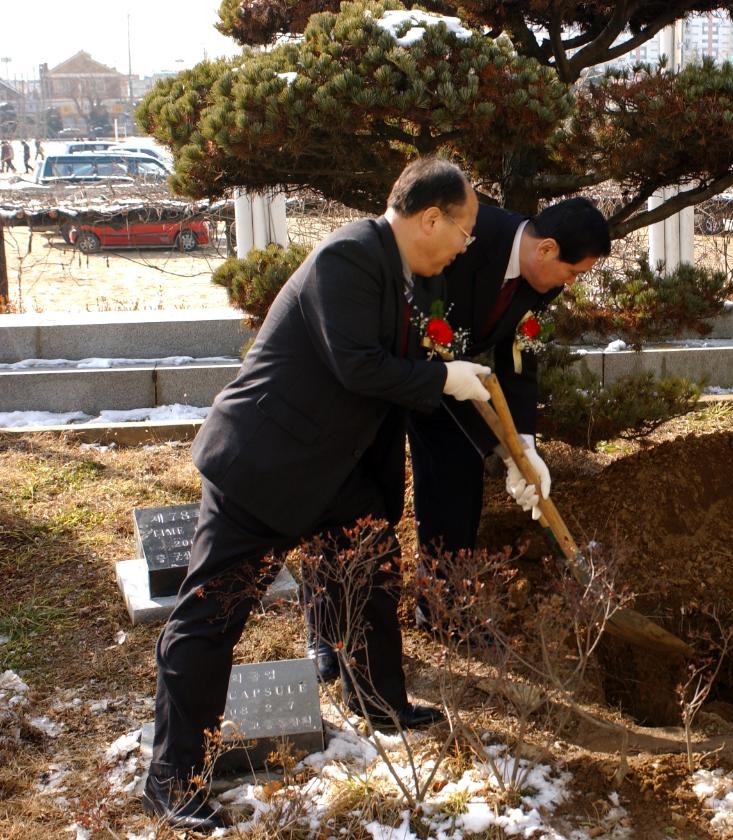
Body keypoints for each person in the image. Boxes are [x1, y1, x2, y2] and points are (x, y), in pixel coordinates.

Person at [144, 158, 499, 832]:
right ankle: (171, 779)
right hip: (266, 465)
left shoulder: (402, 273)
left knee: (370, 577)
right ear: (430, 219)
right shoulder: (348, 258)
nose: (465, 244)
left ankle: (377, 699)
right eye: (465, 230)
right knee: (210, 617)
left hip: (334, 470)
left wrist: (442, 379)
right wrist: (441, 379)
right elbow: (357, 365)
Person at [407, 197, 610, 628]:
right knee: (367, 494)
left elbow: (519, 359)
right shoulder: (468, 236)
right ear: (547, 249)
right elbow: (418, 312)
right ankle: (339, 628)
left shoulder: (544, 283)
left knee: (459, 476)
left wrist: (523, 442)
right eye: (573, 272)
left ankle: (444, 608)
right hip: (398, 366)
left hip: (452, 375)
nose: (570, 284)